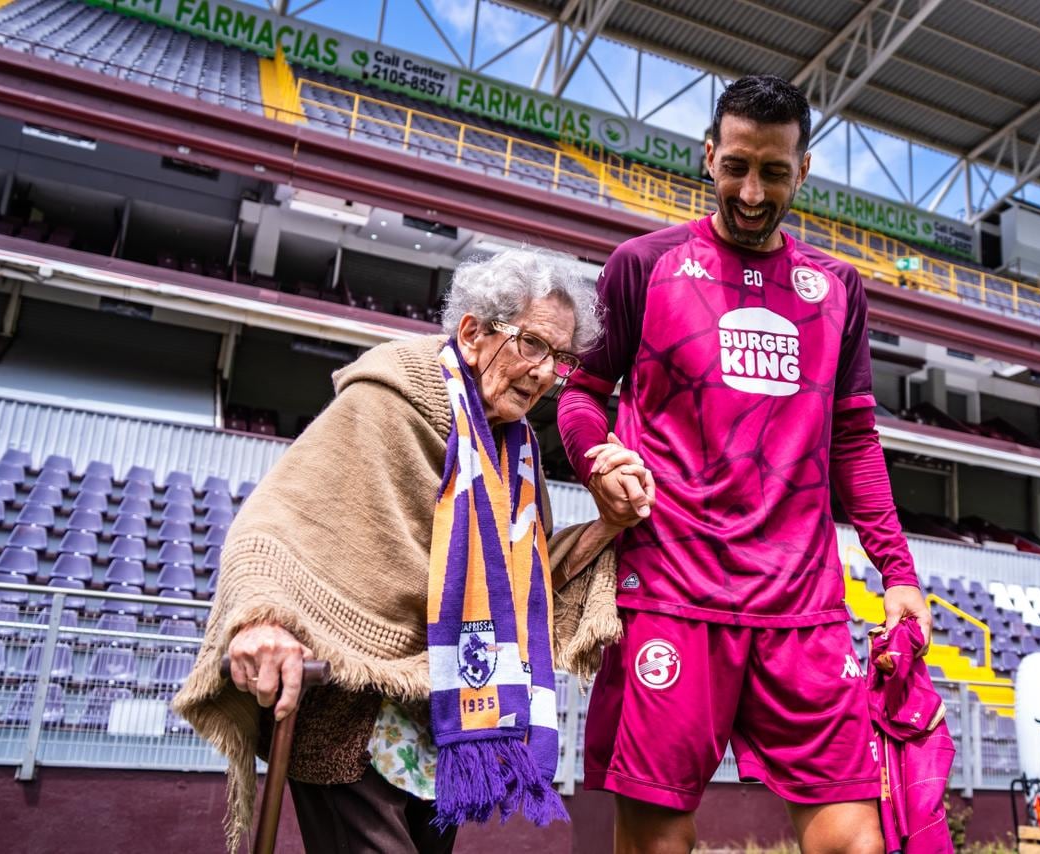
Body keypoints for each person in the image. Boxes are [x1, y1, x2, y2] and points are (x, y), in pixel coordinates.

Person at [556, 75, 932, 854]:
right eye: (735, 167)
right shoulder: (643, 264)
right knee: (659, 844)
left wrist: (897, 573)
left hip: (803, 602)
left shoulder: (836, 289)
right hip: (671, 589)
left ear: (804, 169)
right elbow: (582, 394)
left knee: (857, 841)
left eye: (773, 170)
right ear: (707, 158)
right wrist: (598, 461)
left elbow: (854, 442)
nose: (752, 191)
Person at [174, 248, 651, 854]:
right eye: (532, 344)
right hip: (352, 713)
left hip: (443, 728)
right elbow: (276, 522)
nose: (545, 372)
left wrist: (609, 521)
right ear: (474, 332)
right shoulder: (388, 400)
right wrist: (260, 620)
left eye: (559, 358)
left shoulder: (516, 450)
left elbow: (523, 581)